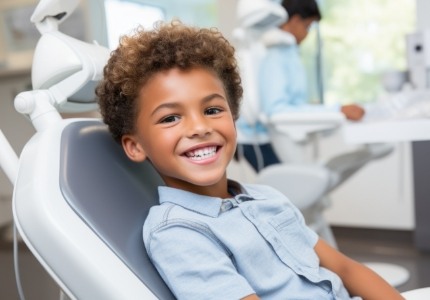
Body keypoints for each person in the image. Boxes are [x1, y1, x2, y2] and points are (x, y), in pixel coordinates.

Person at [96, 20, 403, 300]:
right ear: (135, 146)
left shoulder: (267, 198)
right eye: (171, 117)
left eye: (213, 110)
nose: (200, 127)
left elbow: (345, 269)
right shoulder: (178, 233)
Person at [236, 0, 365, 171]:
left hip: (266, 135)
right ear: (295, 21)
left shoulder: (287, 52)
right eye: (308, 26)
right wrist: (336, 110)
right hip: (257, 138)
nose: (308, 33)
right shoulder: (276, 55)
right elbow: (276, 110)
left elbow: (292, 105)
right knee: (297, 189)